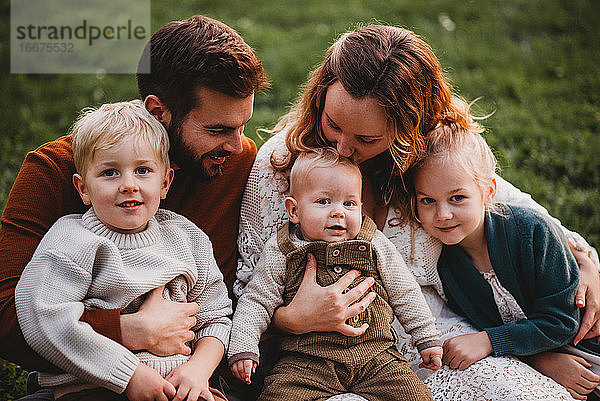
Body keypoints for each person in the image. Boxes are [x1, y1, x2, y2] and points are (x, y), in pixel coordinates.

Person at [236, 24, 600, 400]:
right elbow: (248, 288)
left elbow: (511, 208)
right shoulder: (281, 167)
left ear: (408, 131)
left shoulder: (430, 159)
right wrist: (291, 320)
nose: (343, 148)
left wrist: (585, 260)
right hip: (312, 363)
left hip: (431, 349)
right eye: (333, 124)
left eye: (367, 139)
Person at [0, 14, 268, 399]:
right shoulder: (55, 171)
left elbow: (219, 301)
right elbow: (8, 320)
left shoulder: (231, 162)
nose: (236, 144)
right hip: (87, 381)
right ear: (159, 112)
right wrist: (133, 329)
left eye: (242, 126)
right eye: (218, 130)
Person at [15, 100, 232, 401]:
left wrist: (198, 369)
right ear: (83, 189)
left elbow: (216, 316)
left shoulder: (186, 237)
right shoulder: (72, 240)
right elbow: (44, 316)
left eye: (143, 170)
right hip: (95, 387)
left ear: (165, 181)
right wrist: (129, 375)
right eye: (109, 173)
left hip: (182, 385)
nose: (128, 185)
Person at [229, 148, 442, 401]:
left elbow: (404, 290)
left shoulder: (373, 242)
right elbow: (256, 301)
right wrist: (243, 348)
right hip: (306, 363)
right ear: (294, 210)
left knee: (415, 396)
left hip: (375, 357)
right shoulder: (282, 249)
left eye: (349, 203)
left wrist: (426, 337)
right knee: (276, 395)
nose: (339, 212)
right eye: (324, 201)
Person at [409, 123, 583, 369]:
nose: (443, 214)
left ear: (488, 192)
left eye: (457, 198)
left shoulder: (532, 232)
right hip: (541, 357)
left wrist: (490, 340)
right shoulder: (445, 264)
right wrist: (540, 362)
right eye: (428, 200)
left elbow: (562, 320)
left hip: (587, 343)